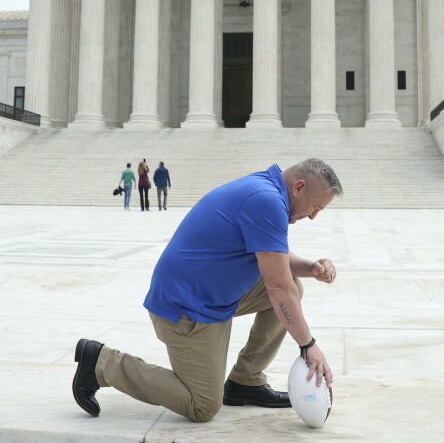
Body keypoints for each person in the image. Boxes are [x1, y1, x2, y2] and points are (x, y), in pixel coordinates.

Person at [71, 158, 343, 423]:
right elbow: (277, 286)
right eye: (316, 207)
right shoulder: (267, 200)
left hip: (208, 293)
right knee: (201, 405)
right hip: (186, 308)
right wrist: (308, 345)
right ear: (299, 187)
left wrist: (310, 267)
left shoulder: (266, 190)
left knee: (294, 284)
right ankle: (102, 363)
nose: (313, 217)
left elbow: (275, 259)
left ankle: (244, 381)